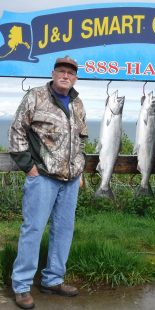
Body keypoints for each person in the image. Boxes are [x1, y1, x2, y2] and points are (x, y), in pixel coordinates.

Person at [8, 56, 88, 309]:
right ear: (53, 73)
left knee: (63, 230)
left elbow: (81, 139)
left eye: (71, 73)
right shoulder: (35, 96)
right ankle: (21, 285)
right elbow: (17, 131)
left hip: (71, 179)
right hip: (41, 176)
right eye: (62, 71)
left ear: (75, 77)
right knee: (33, 230)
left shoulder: (78, 103)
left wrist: (80, 170)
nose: (66, 75)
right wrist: (29, 167)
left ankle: (53, 279)